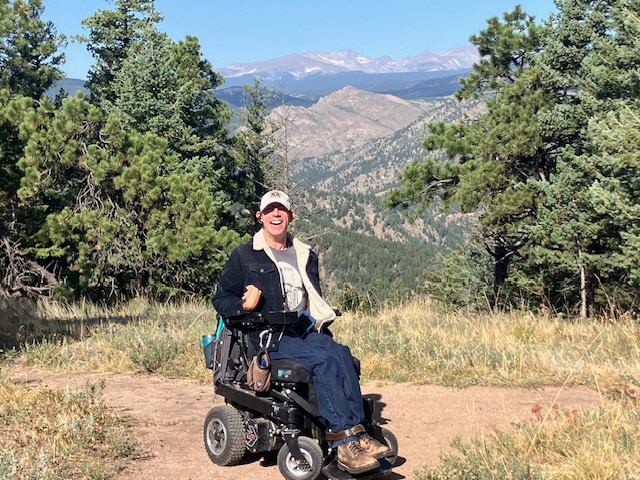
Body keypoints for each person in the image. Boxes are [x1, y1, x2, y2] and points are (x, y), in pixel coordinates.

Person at [212, 190, 391, 474]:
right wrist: (245, 305)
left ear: (290, 216)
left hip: (301, 330)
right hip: (267, 337)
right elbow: (221, 299)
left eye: (281, 210)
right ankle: (344, 443)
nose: (275, 215)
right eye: (269, 210)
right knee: (322, 361)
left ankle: (358, 432)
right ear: (260, 217)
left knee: (341, 353)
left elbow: (312, 297)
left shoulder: (305, 254)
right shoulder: (245, 255)